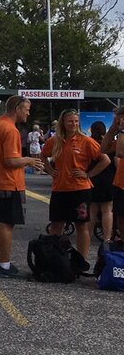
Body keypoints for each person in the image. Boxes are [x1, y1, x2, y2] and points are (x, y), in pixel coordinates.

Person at [0, 96, 46, 277]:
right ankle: (5, 265)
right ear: (17, 109)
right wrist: (29, 160)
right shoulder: (11, 130)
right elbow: (10, 161)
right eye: (27, 108)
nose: (28, 112)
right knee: (6, 224)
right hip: (9, 183)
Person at [42, 109, 111, 263]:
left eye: (76, 121)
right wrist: (51, 170)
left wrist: (88, 174)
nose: (73, 124)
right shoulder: (55, 141)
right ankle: (54, 259)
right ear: (63, 123)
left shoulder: (86, 141)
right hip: (59, 189)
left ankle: (81, 261)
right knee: (56, 226)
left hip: (80, 189)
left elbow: (105, 160)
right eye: (70, 121)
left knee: (82, 226)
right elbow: (43, 156)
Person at [88, 119, 117, 244]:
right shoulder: (109, 144)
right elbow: (116, 163)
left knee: (92, 209)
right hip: (108, 178)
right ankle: (107, 238)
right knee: (107, 209)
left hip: (92, 178)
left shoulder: (89, 143)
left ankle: (87, 234)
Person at [102, 106, 124, 244]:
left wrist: (122, 129)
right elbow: (103, 149)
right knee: (121, 221)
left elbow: (121, 152)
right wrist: (113, 128)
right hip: (120, 184)